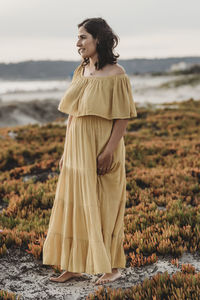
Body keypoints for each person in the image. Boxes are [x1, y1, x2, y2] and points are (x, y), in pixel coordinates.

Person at [42, 17, 137, 285]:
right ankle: (73, 264)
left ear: (99, 39)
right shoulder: (81, 71)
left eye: (83, 37)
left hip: (103, 147)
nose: (78, 43)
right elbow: (73, 113)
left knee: (105, 205)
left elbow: (122, 118)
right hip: (76, 148)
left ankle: (113, 266)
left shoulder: (117, 74)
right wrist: (65, 150)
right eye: (78, 38)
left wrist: (109, 151)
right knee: (75, 205)